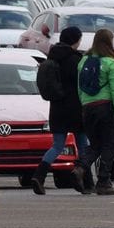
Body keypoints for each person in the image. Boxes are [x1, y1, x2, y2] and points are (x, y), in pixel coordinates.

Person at [31, 26, 89, 195]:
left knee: (57, 146)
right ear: (75, 40)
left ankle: (39, 176)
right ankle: (84, 179)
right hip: (76, 108)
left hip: (57, 108)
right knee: (83, 145)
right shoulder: (76, 60)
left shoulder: (53, 56)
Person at [73, 29, 114, 196]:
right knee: (110, 144)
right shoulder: (111, 63)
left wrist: (84, 106)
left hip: (88, 108)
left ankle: (80, 167)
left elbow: (79, 88)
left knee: (95, 144)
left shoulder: (83, 61)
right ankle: (104, 181)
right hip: (106, 108)